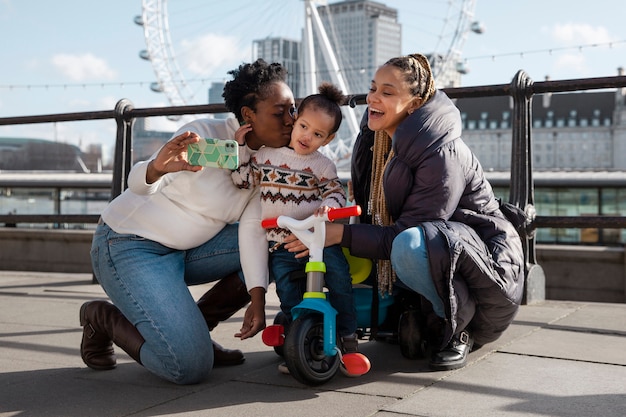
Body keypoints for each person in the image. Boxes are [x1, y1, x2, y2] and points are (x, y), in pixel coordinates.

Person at [82, 59, 296, 385]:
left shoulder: (268, 164)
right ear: (249, 114)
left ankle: (195, 331)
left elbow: (253, 232)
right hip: (129, 244)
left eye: (293, 111)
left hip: (189, 250)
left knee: (273, 238)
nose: (291, 121)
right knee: (189, 367)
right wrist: (157, 168)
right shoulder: (205, 136)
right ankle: (102, 318)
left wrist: (257, 301)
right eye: (279, 113)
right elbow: (138, 183)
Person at [317, 53, 525, 371]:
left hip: (484, 269)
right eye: (373, 88)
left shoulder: (442, 151)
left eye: (387, 92)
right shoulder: (375, 139)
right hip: (438, 253)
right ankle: (405, 308)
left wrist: (342, 234)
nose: (373, 97)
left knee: (409, 245)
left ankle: (458, 328)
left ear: (414, 104)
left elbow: (413, 232)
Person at [231, 83, 359, 370]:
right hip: (281, 244)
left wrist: (331, 207)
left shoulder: (323, 165)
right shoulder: (266, 156)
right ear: (295, 118)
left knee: (340, 280)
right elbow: (242, 181)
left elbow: (336, 192)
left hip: (316, 241)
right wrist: (241, 149)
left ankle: (348, 334)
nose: (306, 136)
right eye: (303, 126)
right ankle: (296, 342)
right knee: (289, 294)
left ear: (329, 139)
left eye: (317, 134)